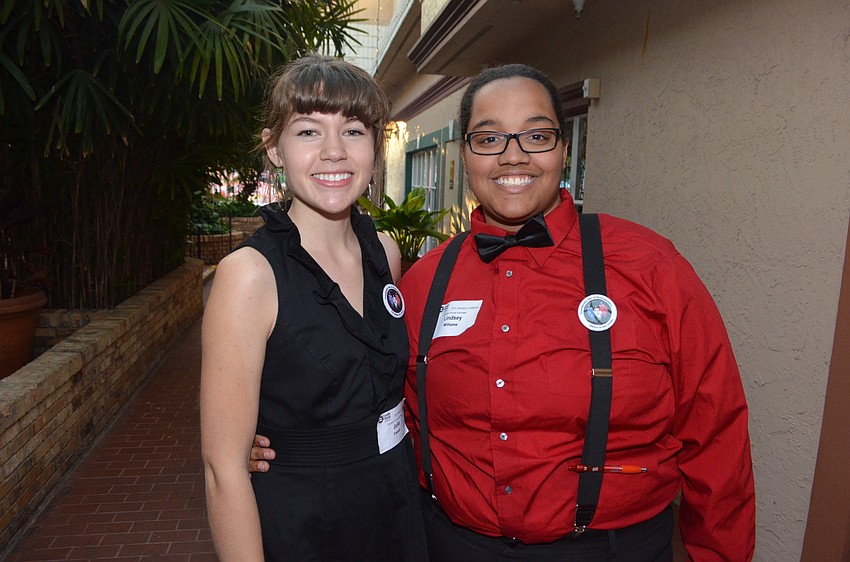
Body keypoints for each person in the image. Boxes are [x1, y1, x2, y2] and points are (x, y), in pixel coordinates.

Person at [252, 63, 756, 561]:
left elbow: (715, 431)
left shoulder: (649, 267)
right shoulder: (423, 282)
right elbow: (385, 402)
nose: (513, 158)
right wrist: (286, 443)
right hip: (451, 546)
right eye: (489, 139)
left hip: (611, 549)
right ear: (466, 154)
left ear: (563, 148)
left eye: (536, 136)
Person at [201, 54, 428, 562]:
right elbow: (223, 468)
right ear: (274, 149)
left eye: (352, 131)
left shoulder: (385, 252)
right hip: (305, 520)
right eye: (307, 132)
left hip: (394, 501)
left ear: (374, 147)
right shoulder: (250, 275)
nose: (333, 152)